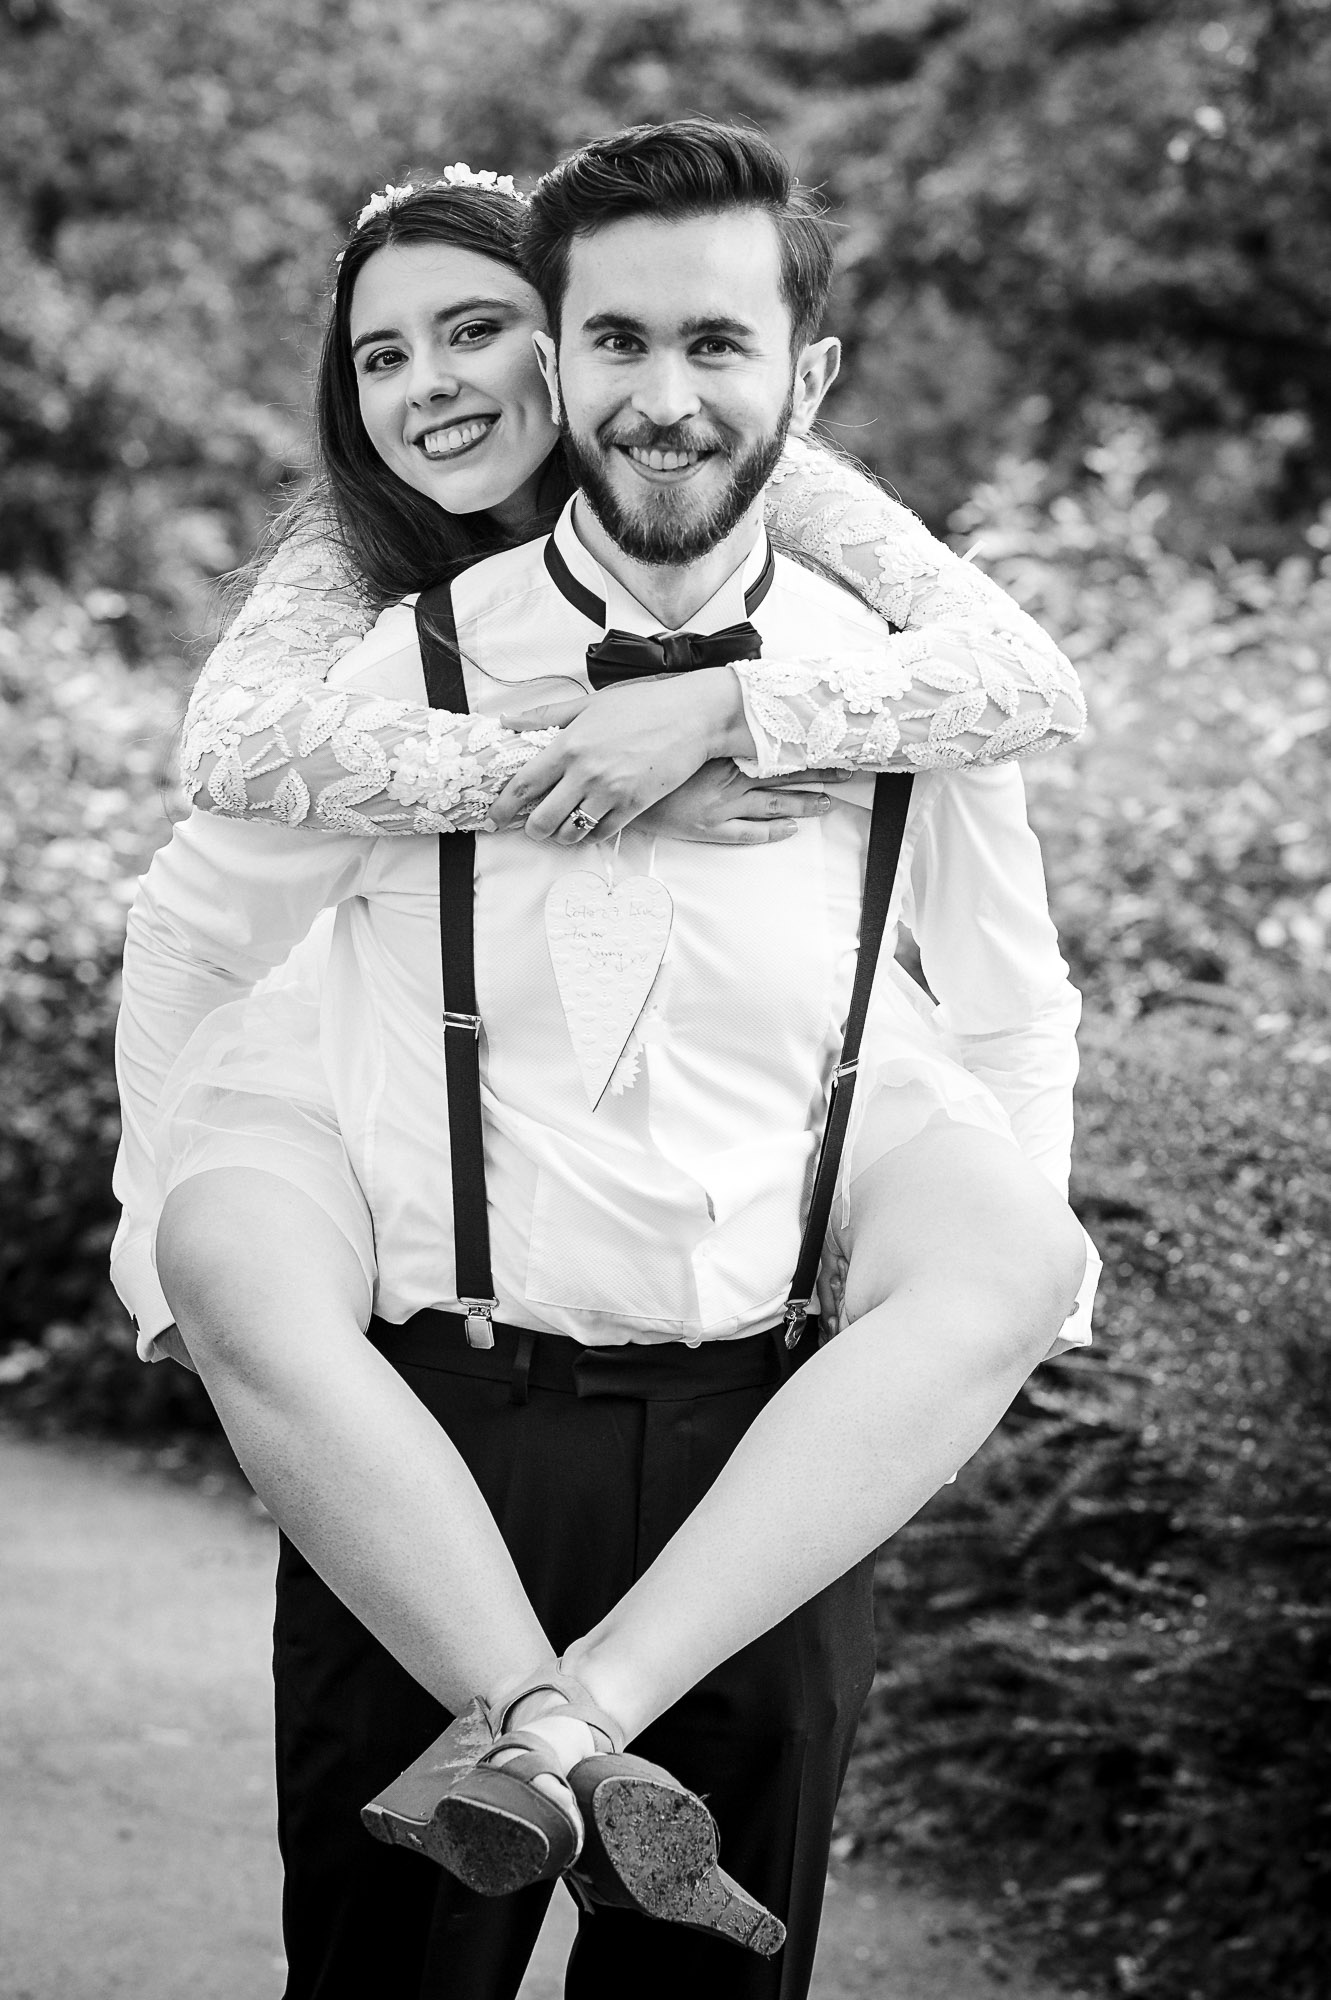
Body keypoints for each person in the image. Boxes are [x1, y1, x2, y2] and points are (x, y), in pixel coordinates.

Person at [113, 126, 1094, 2000]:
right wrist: (158, 1220)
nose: (664, 396)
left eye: (717, 347)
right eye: (617, 344)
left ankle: (553, 1739)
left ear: (802, 379)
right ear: (564, 365)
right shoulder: (386, 665)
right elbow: (201, 917)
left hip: (763, 1464)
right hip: (436, 1431)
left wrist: (966, 1325)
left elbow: (1008, 996)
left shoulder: (893, 672)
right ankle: (564, 1737)